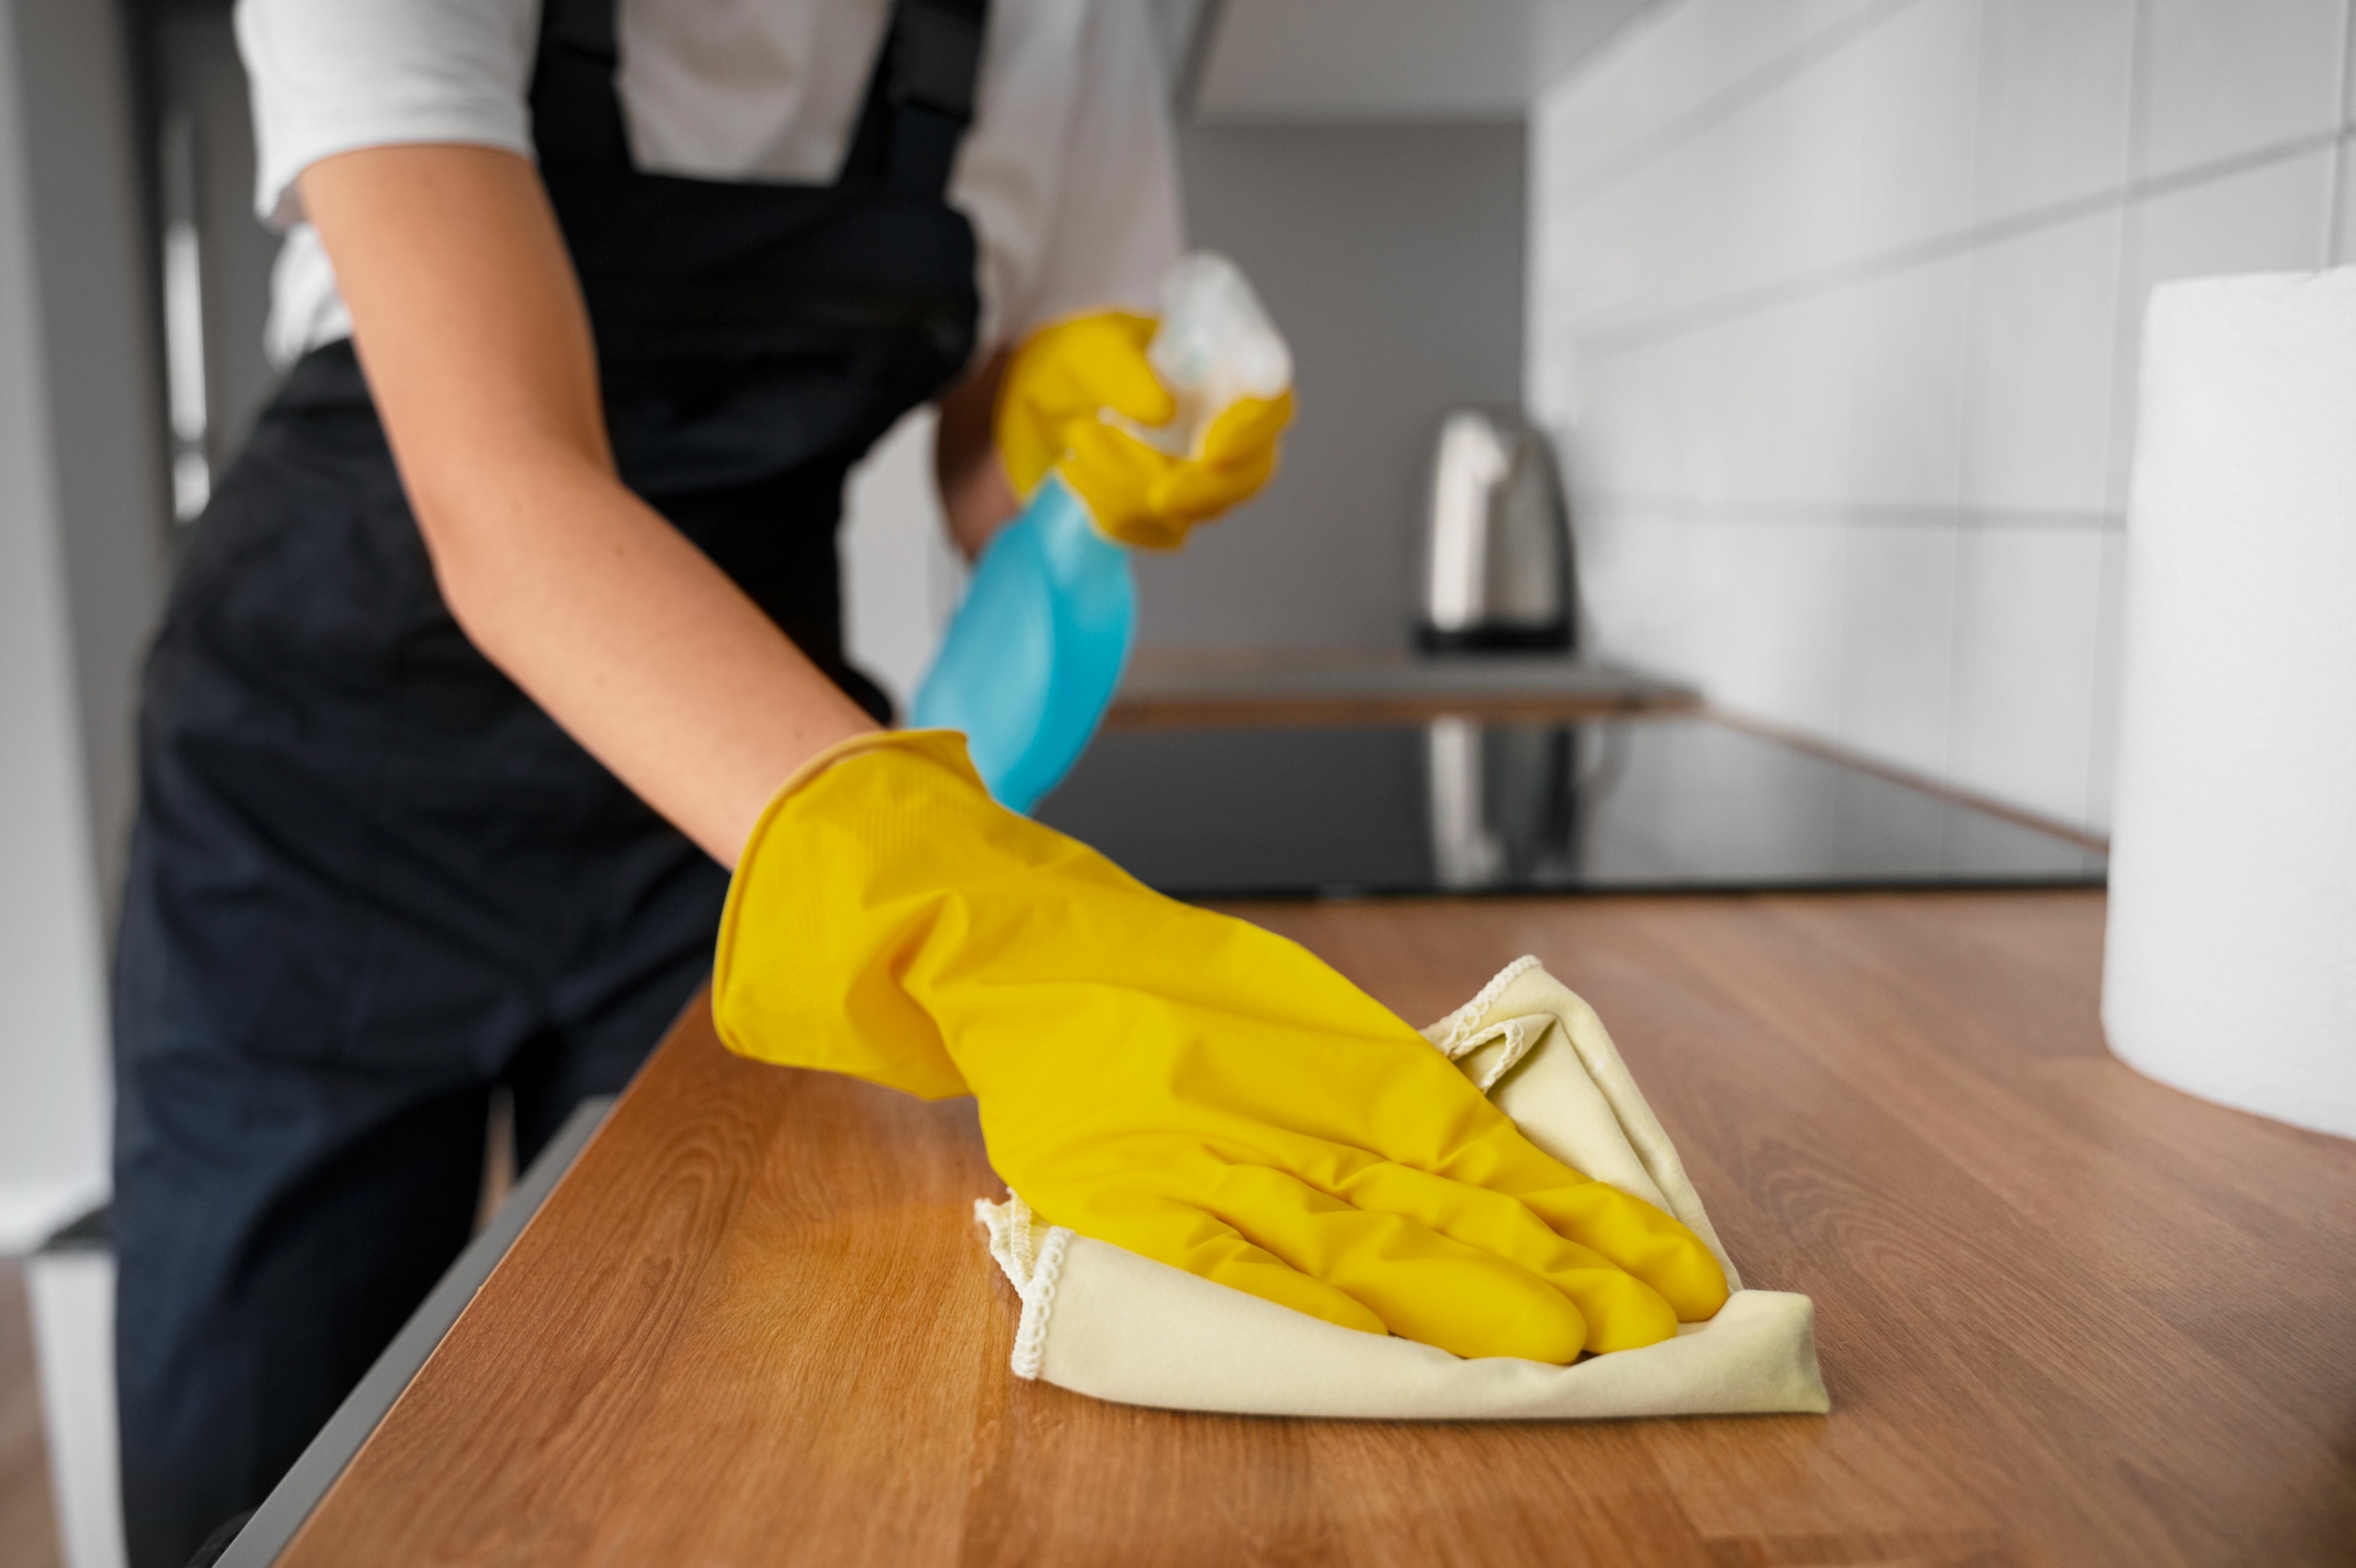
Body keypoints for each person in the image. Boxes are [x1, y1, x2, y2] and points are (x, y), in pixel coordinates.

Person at [111, 3, 1727, 1563]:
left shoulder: (1053, 23)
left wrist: (1049, 440)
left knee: (725, 1408)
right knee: (257, 1468)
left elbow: (977, 476)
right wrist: (980, 912)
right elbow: (500, 481)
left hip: (728, 812)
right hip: (326, 813)